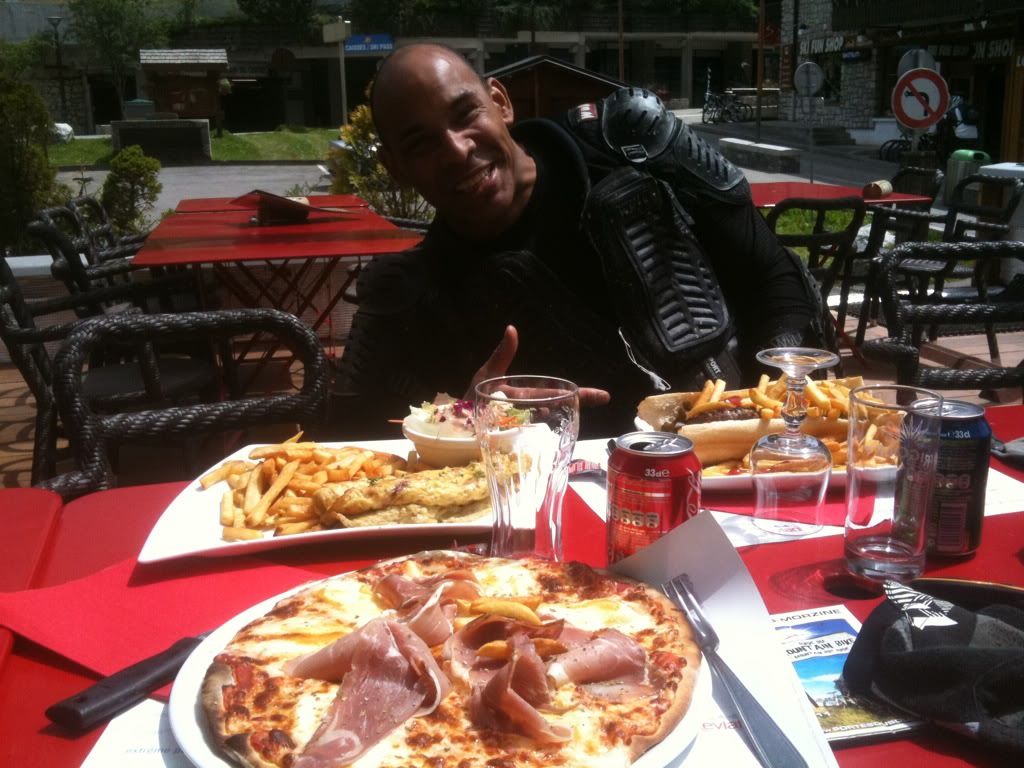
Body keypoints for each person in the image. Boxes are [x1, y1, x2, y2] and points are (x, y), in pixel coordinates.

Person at [329, 43, 826, 437]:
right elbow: (351, 436)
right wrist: (464, 416)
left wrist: (778, 409)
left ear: (500, 102)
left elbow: (772, 275)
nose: (457, 150)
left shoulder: (636, 146)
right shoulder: (406, 299)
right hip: (566, 508)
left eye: (465, 114)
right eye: (421, 144)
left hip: (738, 447)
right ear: (395, 168)